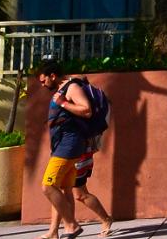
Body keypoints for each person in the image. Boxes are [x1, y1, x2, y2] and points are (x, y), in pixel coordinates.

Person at [36, 59, 113, 238]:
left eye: (43, 80)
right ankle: (54, 232)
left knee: (50, 187)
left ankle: (73, 225)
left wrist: (62, 102)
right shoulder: (64, 88)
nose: (42, 84)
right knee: (64, 189)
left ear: (52, 76)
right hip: (64, 145)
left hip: (70, 146)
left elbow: (86, 110)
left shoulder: (71, 88)